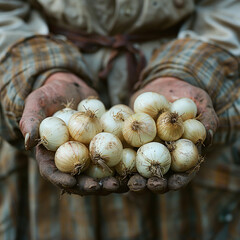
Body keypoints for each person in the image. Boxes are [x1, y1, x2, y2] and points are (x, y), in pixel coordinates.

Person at [0, 0, 240, 239]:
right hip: (60, 59)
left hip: (179, 61)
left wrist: (189, 69)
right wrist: (44, 72)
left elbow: (228, 8)